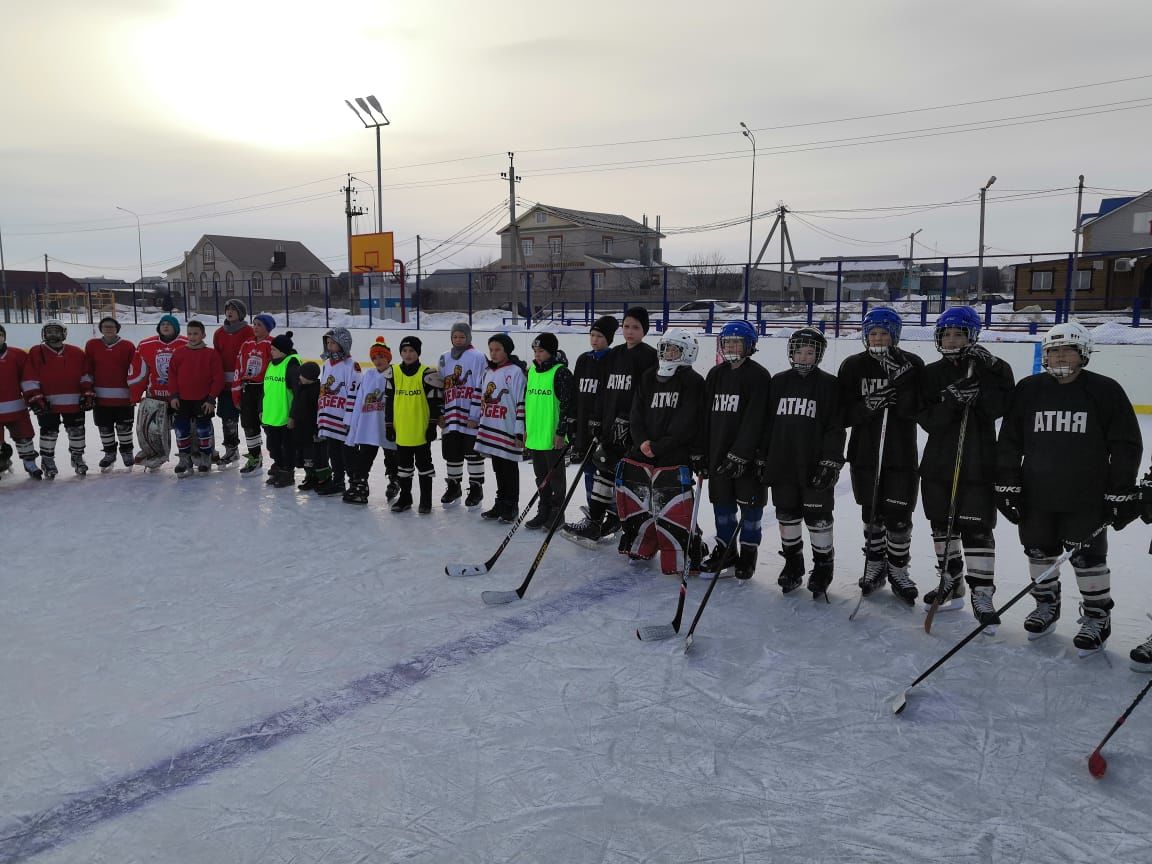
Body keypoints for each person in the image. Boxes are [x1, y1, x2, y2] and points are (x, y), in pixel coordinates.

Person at [996, 321, 1142, 654]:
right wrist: (1007, 482)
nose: (1060, 356)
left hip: (1085, 494)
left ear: (1083, 354)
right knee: (1038, 550)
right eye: (1053, 351)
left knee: (1087, 557)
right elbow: (1009, 440)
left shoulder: (1105, 390)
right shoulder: (1029, 389)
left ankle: (1096, 616)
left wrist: (1120, 487)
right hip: (1036, 492)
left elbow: (1125, 443)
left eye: (1068, 350)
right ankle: (1046, 605)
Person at [917, 307, 1015, 625]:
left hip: (978, 460)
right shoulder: (930, 374)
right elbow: (927, 420)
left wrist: (983, 391)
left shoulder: (990, 371)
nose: (952, 339)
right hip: (937, 463)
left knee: (976, 528)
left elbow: (1003, 406)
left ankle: (982, 592)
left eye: (959, 333)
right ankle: (951, 581)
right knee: (941, 525)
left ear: (973, 336)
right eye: (946, 333)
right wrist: (952, 401)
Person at [837, 307, 924, 604]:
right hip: (865, 453)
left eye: (884, 333)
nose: (878, 338)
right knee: (871, 512)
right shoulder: (853, 365)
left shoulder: (912, 363)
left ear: (895, 335)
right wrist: (868, 406)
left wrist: (899, 395)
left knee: (899, 515)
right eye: (872, 333)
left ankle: (899, 568)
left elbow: (919, 411)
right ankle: (875, 563)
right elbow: (842, 414)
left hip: (900, 454)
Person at [758, 327, 845, 598]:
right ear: (791, 352)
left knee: (818, 518)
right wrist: (762, 455)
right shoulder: (778, 382)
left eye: (810, 352)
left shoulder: (829, 385)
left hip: (814, 464)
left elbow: (835, 426)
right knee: (787, 515)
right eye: (799, 351)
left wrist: (830, 461)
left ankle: (823, 567)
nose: (804, 357)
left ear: (818, 355)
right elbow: (767, 423)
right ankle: (793, 564)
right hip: (783, 462)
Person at [615, 328, 707, 573]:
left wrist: (659, 446)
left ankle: (683, 550)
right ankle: (642, 542)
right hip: (643, 453)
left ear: (687, 353)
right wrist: (642, 441)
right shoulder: (647, 377)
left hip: (673, 455)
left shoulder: (693, 381)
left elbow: (687, 421)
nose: (668, 353)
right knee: (641, 504)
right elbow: (637, 414)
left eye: (674, 349)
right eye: (665, 348)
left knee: (673, 508)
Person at [563, 307, 656, 544]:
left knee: (628, 479)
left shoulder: (649, 356)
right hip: (609, 427)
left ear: (644, 330)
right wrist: (596, 418)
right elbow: (604, 391)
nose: (630, 331)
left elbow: (646, 395)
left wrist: (629, 420)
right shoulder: (614, 355)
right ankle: (595, 522)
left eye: (635, 327)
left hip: (632, 431)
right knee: (603, 470)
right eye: (626, 326)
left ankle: (632, 527)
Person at [698, 320, 772, 580]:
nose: (731, 346)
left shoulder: (758, 376)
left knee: (750, 511)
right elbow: (705, 417)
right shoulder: (715, 375)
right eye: (727, 341)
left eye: (736, 342)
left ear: (749, 345)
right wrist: (702, 453)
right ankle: (726, 551)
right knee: (723, 507)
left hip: (748, 460)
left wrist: (743, 453)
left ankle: (748, 555)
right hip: (718, 454)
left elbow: (757, 419)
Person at [22, 320, 94, 479]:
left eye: (56, 331)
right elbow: (29, 377)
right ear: (43, 334)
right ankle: (47, 460)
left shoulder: (76, 352)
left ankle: (77, 457)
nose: (53, 335)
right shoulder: (36, 352)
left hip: (73, 401)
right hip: (46, 402)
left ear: (64, 333)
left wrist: (87, 393)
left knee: (77, 431)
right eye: (49, 331)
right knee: (49, 432)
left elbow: (86, 374)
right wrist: (35, 398)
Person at [383, 335, 443, 514]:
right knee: (403, 467)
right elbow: (388, 401)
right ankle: (405, 498)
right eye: (404, 351)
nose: (408, 354)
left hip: (421, 429)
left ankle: (425, 501)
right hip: (402, 429)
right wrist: (388, 425)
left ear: (418, 353)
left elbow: (434, 402)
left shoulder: (427, 374)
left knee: (424, 466)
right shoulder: (393, 373)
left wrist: (432, 426)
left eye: (412, 351)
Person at [569, 316, 620, 527]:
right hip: (584, 428)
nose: (594, 340)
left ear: (608, 338)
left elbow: (610, 396)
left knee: (606, 473)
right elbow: (576, 393)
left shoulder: (614, 360)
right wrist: (572, 420)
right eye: (592, 335)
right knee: (588, 471)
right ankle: (594, 513)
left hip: (604, 429)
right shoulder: (583, 360)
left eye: (599, 336)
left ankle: (615, 514)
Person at [523, 332, 575, 530]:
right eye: (535, 351)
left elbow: (566, 406)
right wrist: (526, 429)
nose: (537, 354)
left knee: (555, 478)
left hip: (553, 437)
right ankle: (543, 509)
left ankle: (556, 513)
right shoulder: (532, 372)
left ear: (551, 352)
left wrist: (561, 432)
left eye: (541, 351)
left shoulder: (561, 372)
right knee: (540, 476)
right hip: (536, 434)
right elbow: (528, 403)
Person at [473, 333, 527, 522]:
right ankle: (500, 501)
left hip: (507, 427)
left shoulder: (515, 372)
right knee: (498, 466)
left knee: (509, 467)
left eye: (498, 350)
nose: (493, 354)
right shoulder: (488, 371)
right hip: (490, 426)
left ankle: (511, 505)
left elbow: (521, 401)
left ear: (507, 351)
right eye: (491, 350)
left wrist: (519, 430)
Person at [437, 322, 488, 508]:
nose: (458, 340)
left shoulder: (477, 357)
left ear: (469, 337)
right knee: (452, 452)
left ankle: (476, 487)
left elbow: (481, 386)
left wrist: (475, 415)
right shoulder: (444, 358)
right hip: (451, 417)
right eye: (455, 336)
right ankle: (454, 485)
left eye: (462, 337)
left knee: (472, 452)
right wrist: (440, 413)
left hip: (470, 416)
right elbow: (440, 388)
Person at [127, 314, 188, 469]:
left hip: (180, 396)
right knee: (152, 428)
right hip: (155, 396)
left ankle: (188, 454)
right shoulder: (146, 345)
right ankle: (154, 452)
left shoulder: (186, 344)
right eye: (163, 324)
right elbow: (140, 373)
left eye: (169, 324)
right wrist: (135, 395)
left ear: (176, 328)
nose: (166, 326)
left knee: (184, 427)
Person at [343, 336, 397, 504]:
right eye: (374, 358)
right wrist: (355, 424)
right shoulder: (368, 375)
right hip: (369, 424)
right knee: (365, 455)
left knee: (392, 455)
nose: (377, 360)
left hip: (388, 424)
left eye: (381, 357)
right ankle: (360, 484)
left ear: (388, 357)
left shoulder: (395, 374)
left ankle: (395, 479)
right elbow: (360, 400)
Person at [168, 320, 224, 477]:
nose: (192, 337)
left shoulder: (211, 354)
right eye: (190, 334)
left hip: (203, 400)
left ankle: (205, 457)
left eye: (196, 333)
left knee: (203, 429)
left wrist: (211, 398)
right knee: (180, 429)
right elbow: (172, 376)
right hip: (182, 400)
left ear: (203, 335)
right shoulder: (178, 353)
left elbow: (218, 378)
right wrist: (173, 395)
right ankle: (184, 458)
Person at [84, 316, 137, 472]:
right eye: (105, 326)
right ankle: (109, 454)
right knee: (104, 427)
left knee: (124, 427)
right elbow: (88, 368)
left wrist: (134, 392)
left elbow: (134, 370)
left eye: (111, 326)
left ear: (117, 329)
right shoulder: (92, 345)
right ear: (101, 329)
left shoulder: (128, 346)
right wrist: (88, 390)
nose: (108, 329)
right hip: (100, 397)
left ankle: (127, 453)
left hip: (124, 397)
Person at [314, 327, 362, 496]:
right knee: (332, 451)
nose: (329, 346)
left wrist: (349, 418)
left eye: (333, 343)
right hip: (329, 416)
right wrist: (320, 414)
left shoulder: (351, 365)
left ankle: (355, 483)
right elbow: (323, 390)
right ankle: (338, 481)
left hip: (343, 419)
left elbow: (354, 393)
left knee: (347, 452)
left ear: (343, 344)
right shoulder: (326, 363)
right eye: (328, 342)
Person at [232, 312, 276, 476]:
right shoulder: (246, 344)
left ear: (268, 328)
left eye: (260, 325)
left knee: (267, 425)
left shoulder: (271, 344)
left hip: (264, 389)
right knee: (249, 425)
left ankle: (278, 460)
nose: (255, 327)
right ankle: (255, 457)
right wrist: (236, 391)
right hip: (247, 389)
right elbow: (239, 367)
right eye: (254, 324)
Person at [212, 299, 253, 467]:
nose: (229, 312)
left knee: (249, 420)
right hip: (225, 386)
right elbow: (216, 359)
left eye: (233, 309)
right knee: (228, 418)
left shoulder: (249, 331)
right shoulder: (219, 333)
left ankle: (254, 452)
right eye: (227, 309)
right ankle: (231, 450)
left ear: (241, 313)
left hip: (244, 384)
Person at [0, 323, 41, 478]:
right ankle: (2, 462)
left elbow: (28, 378)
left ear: (4, 337)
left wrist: (33, 398)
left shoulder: (17, 355)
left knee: (24, 437)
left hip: (16, 407)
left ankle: (29, 462)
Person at [260, 330, 300, 488]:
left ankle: (287, 473)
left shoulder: (291, 366)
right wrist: (261, 409)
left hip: (285, 417)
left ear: (283, 351)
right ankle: (279, 467)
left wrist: (293, 416)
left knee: (287, 448)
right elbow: (265, 390)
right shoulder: (271, 364)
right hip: (271, 415)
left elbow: (298, 394)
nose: (271, 352)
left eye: (274, 350)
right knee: (273, 447)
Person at [292, 361, 322, 492]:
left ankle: (313, 477)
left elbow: (316, 411)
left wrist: (316, 429)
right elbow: (295, 404)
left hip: (310, 429)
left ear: (309, 377)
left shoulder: (316, 391)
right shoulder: (301, 387)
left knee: (311, 456)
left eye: (302, 375)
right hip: (301, 428)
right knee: (304, 455)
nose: (299, 377)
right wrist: (292, 417)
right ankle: (308, 474)